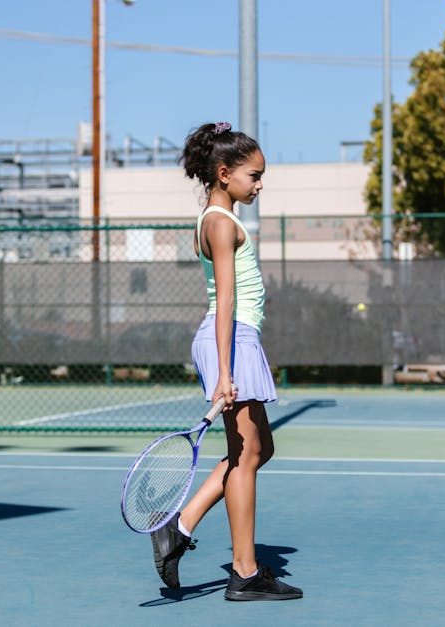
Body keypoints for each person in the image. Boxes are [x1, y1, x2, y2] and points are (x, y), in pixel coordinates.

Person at [150, 121, 302, 602]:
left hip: (236, 339)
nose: (259, 184)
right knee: (246, 457)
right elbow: (227, 301)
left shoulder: (220, 220)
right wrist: (226, 373)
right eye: (254, 175)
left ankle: (181, 524)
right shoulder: (219, 223)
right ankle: (244, 570)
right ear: (223, 173)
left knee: (257, 451)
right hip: (230, 340)